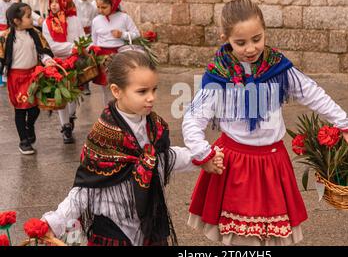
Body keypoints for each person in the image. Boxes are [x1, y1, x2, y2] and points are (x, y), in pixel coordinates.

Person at [182, 0, 348, 246]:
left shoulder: (279, 68)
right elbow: (193, 116)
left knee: (272, 236)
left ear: (265, 31)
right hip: (235, 163)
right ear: (225, 38)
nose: (251, 48)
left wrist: (343, 123)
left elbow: (312, 93)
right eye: (240, 43)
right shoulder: (219, 75)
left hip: (273, 161)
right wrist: (203, 152)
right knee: (244, 239)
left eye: (257, 39)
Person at [41, 50, 225, 246]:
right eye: (142, 91)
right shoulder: (104, 136)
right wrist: (54, 221)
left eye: (154, 89)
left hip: (149, 222)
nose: (151, 97)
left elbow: (164, 158)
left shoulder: (155, 125)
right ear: (116, 91)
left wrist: (201, 159)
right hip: (113, 226)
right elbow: (86, 187)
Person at [0, 2, 55, 155]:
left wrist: (47, 60)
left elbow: (42, 51)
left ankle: (29, 125)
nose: (32, 19)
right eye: (28, 16)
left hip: (33, 75)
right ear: (17, 21)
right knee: (20, 110)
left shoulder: (35, 33)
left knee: (34, 108)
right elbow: (2, 57)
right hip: (16, 78)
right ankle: (23, 141)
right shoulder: (5, 37)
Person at [42, 0, 85, 144]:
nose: (53, 5)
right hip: (57, 64)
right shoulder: (47, 23)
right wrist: (73, 47)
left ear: (65, 2)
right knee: (61, 96)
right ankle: (65, 127)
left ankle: (71, 116)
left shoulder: (75, 19)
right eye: (51, 2)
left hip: (74, 61)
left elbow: (82, 38)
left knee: (73, 94)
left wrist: (82, 48)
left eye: (57, 1)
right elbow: (51, 46)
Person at [91, 0, 140, 107]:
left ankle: (122, 107)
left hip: (119, 54)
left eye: (104, 7)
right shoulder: (96, 20)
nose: (101, 10)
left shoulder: (124, 17)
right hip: (102, 56)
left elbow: (136, 33)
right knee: (106, 86)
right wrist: (93, 49)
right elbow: (94, 40)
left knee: (120, 84)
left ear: (112, 4)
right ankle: (108, 109)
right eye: (98, 7)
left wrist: (122, 34)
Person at [74, 0, 97, 95]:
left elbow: (93, 21)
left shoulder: (92, 6)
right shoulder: (74, 3)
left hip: (87, 35)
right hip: (76, 35)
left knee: (86, 59)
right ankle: (77, 83)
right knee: (77, 59)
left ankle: (86, 83)